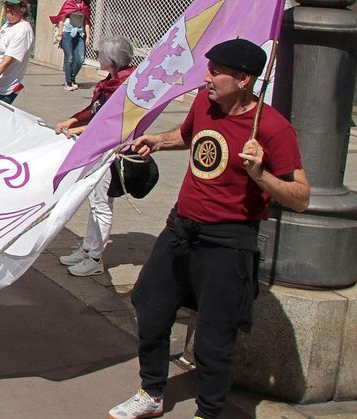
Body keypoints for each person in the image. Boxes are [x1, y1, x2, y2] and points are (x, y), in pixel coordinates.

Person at [108, 39, 310, 419]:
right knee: (148, 305)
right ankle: (151, 392)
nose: (207, 78)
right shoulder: (205, 102)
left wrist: (260, 174)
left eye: (216, 71)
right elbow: (189, 137)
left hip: (228, 240)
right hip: (180, 227)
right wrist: (158, 141)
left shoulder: (272, 128)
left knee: (216, 336)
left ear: (245, 79)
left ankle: (209, 411)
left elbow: (301, 196)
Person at [54, 36, 137, 278]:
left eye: (100, 53)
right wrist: (72, 121)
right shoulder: (111, 82)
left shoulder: (125, 86)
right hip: (96, 147)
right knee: (94, 201)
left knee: (101, 204)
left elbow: (112, 123)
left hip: (110, 150)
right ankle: (87, 247)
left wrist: (77, 129)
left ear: (111, 59)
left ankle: (94, 258)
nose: (97, 56)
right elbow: (94, 111)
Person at [51, 0, 93, 90]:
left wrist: (88, 37)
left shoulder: (85, 6)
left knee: (80, 59)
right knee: (69, 58)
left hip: (79, 34)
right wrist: (60, 33)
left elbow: (87, 22)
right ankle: (68, 82)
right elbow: (61, 18)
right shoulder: (69, 3)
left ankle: (72, 77)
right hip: (67, 33)